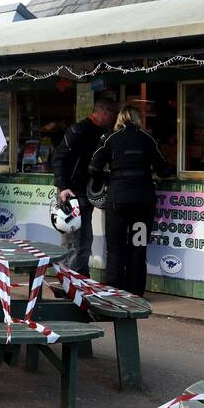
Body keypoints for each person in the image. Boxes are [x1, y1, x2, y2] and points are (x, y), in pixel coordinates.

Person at [89, 104, 172, 295]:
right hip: (142, 202)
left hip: (117, 200)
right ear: (137, 119)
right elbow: (164, 169)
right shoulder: (148, 139)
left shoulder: (110, 138)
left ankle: (114, 294)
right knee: (138, 247)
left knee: (115, 249)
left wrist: (109, 177)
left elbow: (93, 167)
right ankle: (136, 294)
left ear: (120, 118)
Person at [52, 95, 118, 275]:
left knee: (84, 239)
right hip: (72, 192)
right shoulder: (78, 130)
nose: (115, 117)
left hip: (86, 192)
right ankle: (69, 282)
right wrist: (63, 186)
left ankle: (79, 278)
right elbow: (58, 158)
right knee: (74, 240)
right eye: (113, 113)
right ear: (104, 112)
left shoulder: (103, 133)